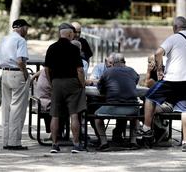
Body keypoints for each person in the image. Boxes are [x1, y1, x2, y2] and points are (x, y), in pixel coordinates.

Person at [139, 16, 186, 152]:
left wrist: (160, 69)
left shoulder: (173, 38)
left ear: (175, 27)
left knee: (150, 96)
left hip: (172, 78)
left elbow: (158, 52)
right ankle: (185, 142)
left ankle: (147, 128)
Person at [44, 23, 87, 153]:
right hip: (72, 83)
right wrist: (82, 83)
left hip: (57, 82)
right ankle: (76, 144)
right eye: (72, 33)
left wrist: (52, 82)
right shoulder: (74, 49)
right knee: (74, 114)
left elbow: (46, 69)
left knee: (55, 115)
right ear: (69, 34)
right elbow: (79, 70)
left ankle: (55, 145)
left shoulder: (51, 48)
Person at [0, 19, 31, 150]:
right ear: (20, 28)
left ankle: (5, 140)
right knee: (17, 109)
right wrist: (26, 73)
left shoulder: (4, 39)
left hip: (4, 74)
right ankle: (14, 142)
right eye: (26, 28)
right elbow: (20, 61)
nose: (27, 31)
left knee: (6, 108)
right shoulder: (21, 40)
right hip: (17, 73)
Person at [95, 53, 140, 150]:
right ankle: (133, 142)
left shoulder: (108, 72)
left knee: (97, 116)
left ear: (113, 63)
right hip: (132, 108)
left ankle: (104, 143)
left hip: (113, 107)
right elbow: (135, 82)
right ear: (124, 62)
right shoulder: (132, 71)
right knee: (135, 117)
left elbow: (100, 88)